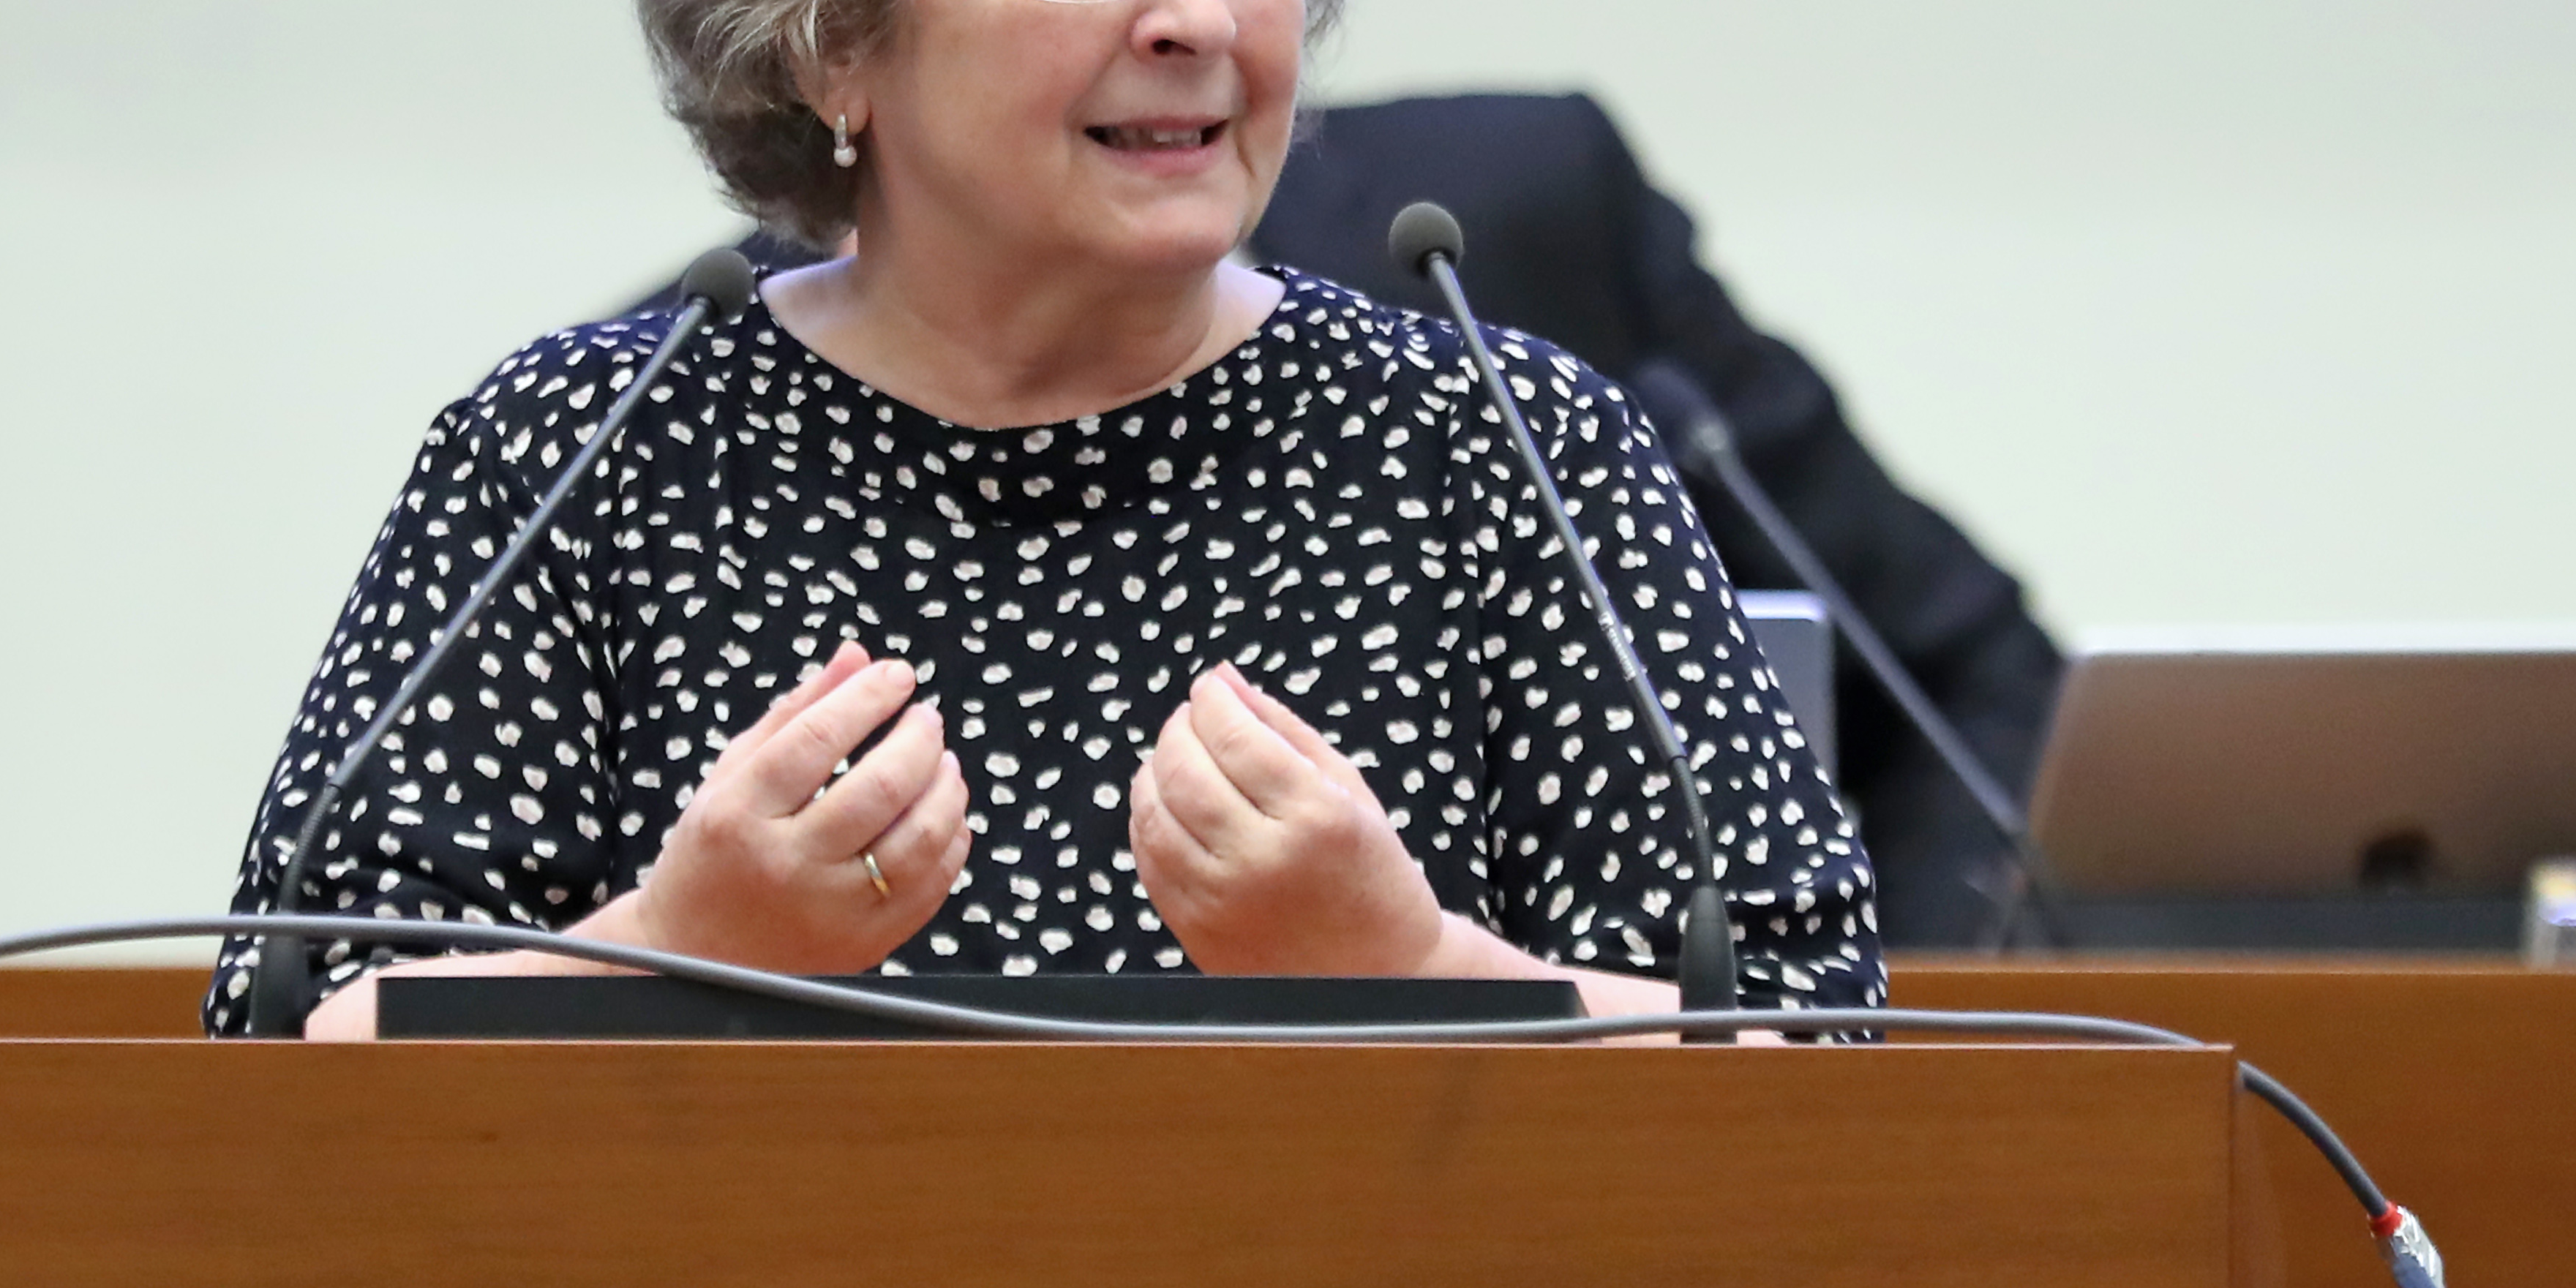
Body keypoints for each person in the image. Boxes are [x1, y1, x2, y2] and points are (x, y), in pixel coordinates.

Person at [206, 0, 1877, 1039]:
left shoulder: (1502, 447)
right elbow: (280, 1055)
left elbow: (1821, 1058)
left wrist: (1414, 971)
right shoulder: (580, 456)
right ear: (832, 36)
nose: (1196, 13)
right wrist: (670, 948)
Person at [701, 90, 2068, 946]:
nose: (1183, 9)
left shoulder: (1518, 246)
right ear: (841, 38)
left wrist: (1928, 1036)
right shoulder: (674, 407)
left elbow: (1967, 675)